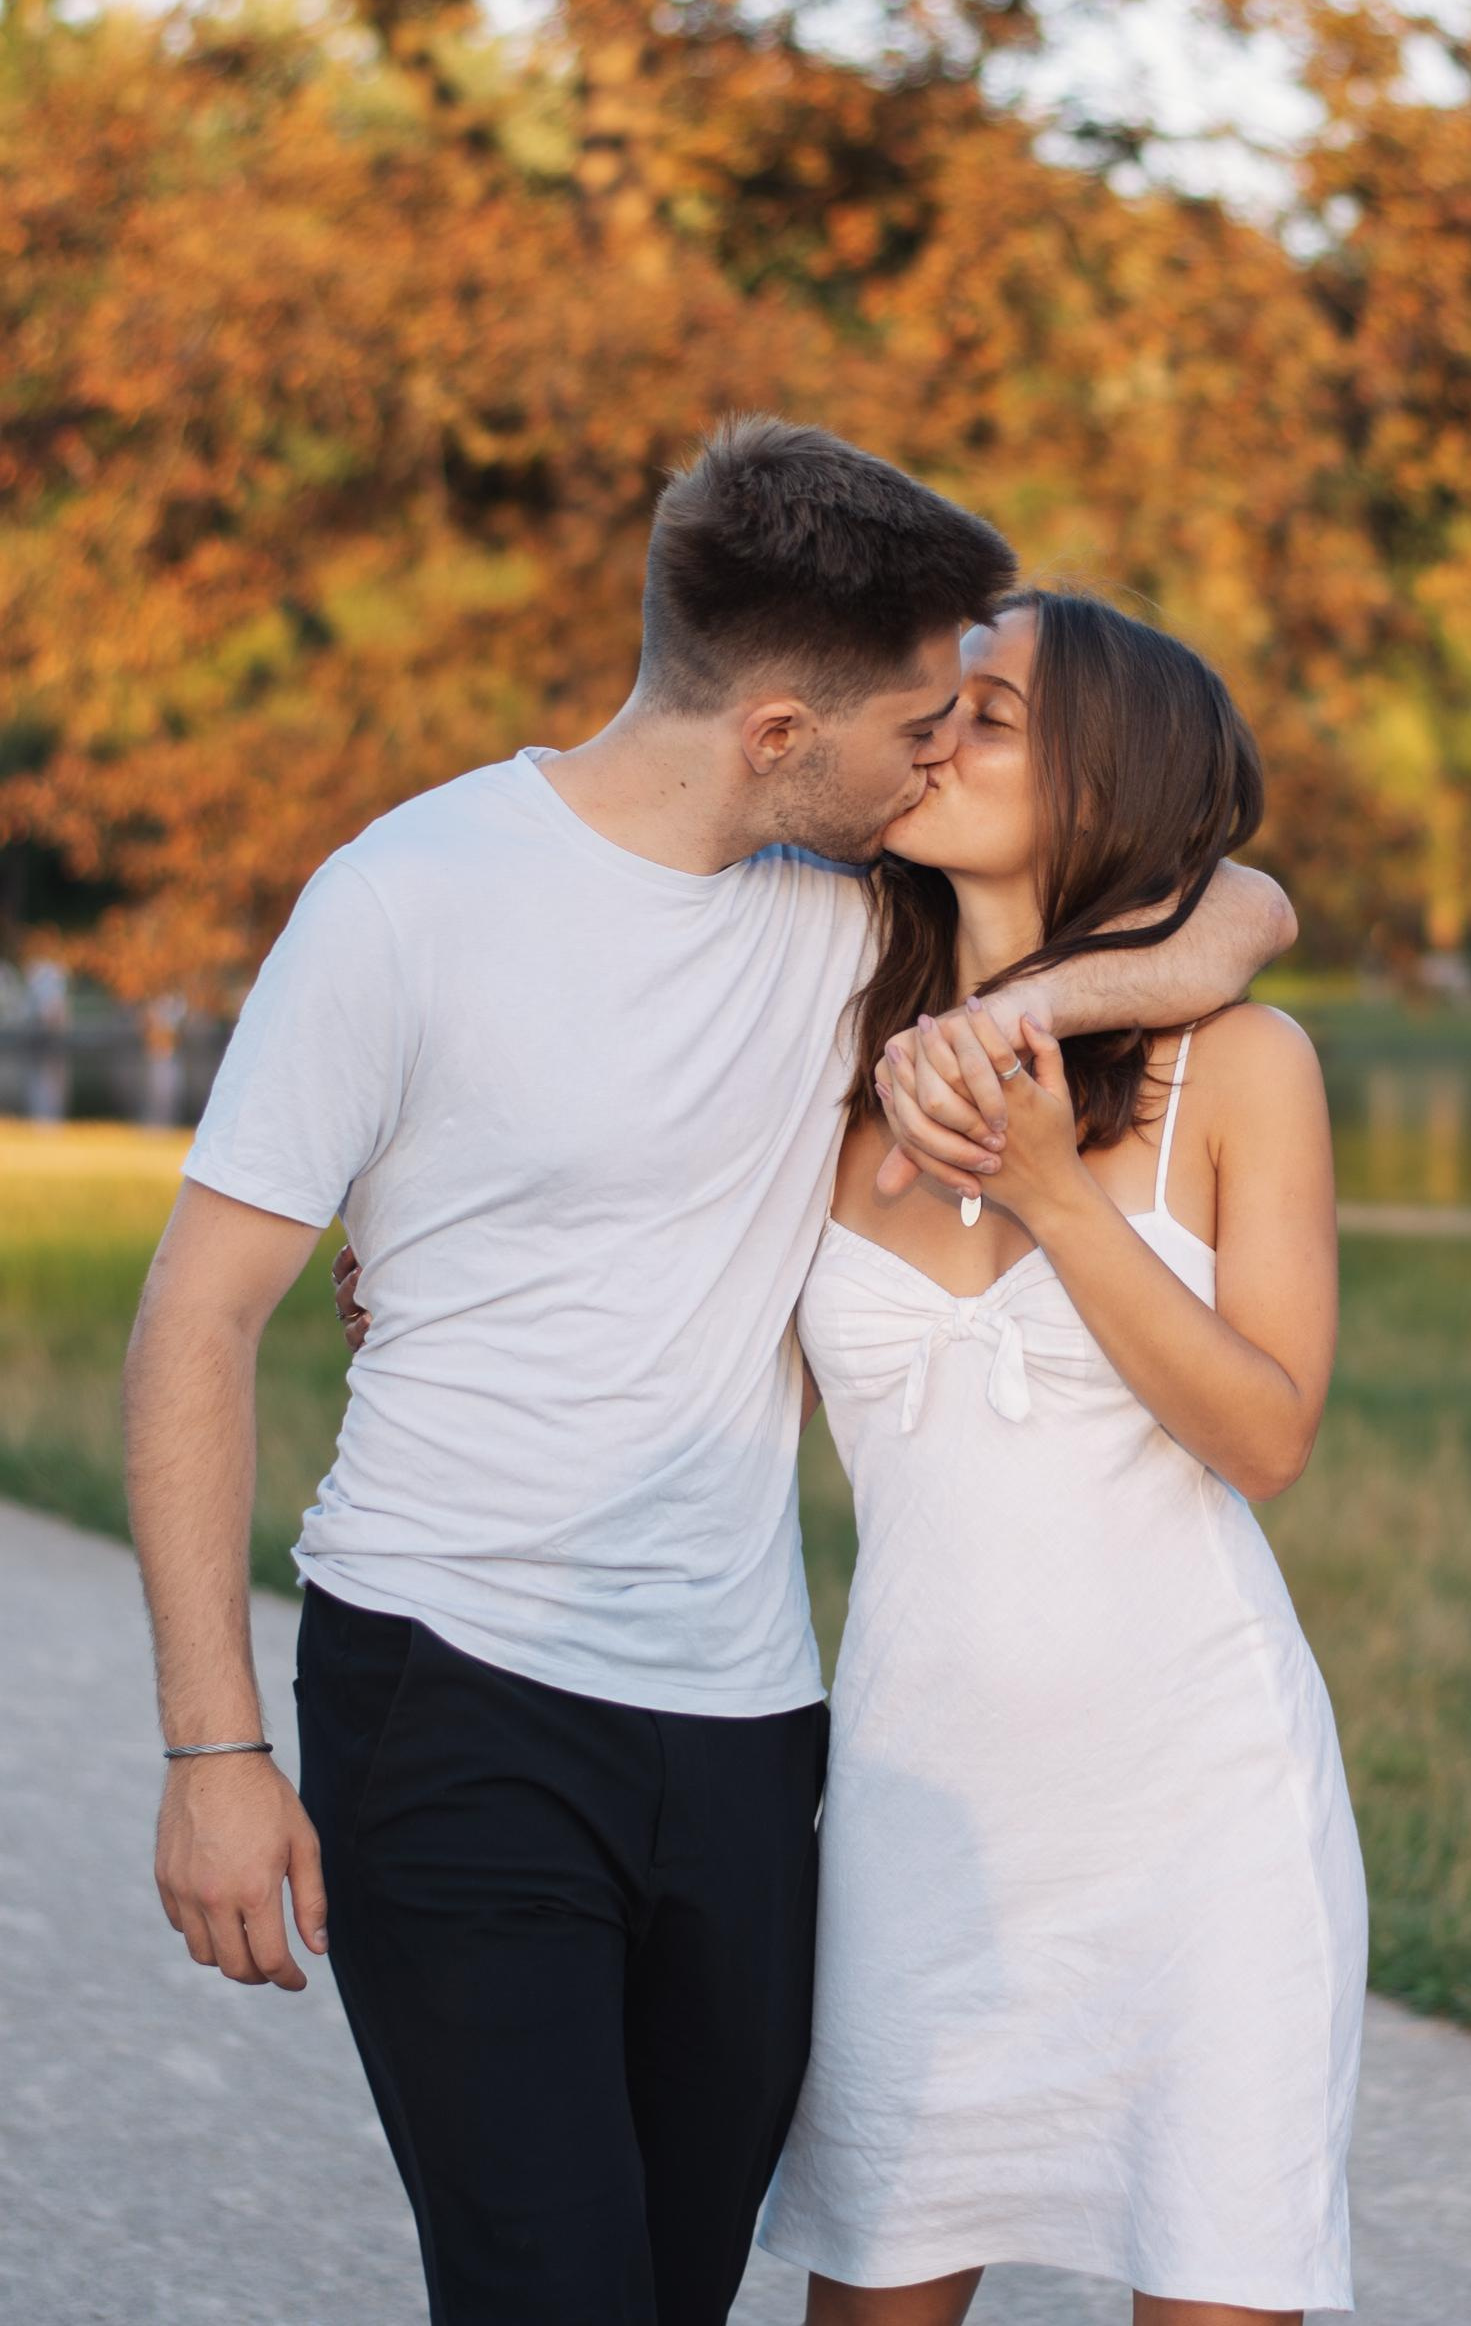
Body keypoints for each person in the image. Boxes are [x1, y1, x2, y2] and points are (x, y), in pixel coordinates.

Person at [122, 420, 1295, 2326]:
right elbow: (196, 1317)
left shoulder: (853, 922)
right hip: (453, 1687)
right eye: (925, 719)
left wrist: (1030, 1007)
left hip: (745, 1729)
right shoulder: (404, 900)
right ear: (774, 728)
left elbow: (1233, 910)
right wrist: (214, 1749)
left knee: (672, 2287)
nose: (941, 753)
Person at [759, 590, 1366, 2323]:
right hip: (916, 1828)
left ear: (1105, 779)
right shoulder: (832, 1056)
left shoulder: (1247, 1066)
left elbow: (1265, 1435)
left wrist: (1047, 1190)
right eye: (937, 705)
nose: (937, 734)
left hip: (1200, 1836)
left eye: (993, 715)